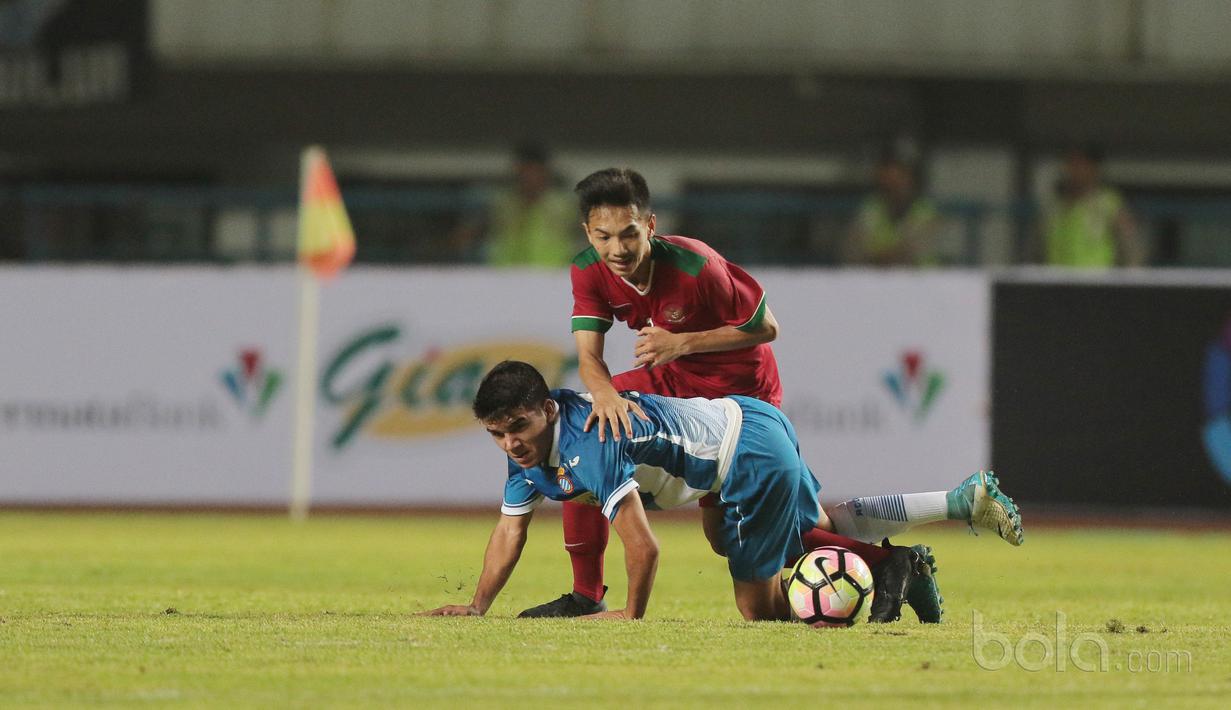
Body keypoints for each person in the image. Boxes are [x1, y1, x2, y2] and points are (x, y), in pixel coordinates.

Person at [419, 362, 1024, 622]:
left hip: (744, 455)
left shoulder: (588, 441)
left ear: (548, 411)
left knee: (756, 609)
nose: (510, 444)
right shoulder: (528, 453)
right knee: (797, 525)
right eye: (497, 434)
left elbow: (645, 548)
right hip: (743, 424)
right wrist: (477, 605)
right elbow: (510, 529)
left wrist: (631, 614)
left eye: (518, 429)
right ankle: (948, 510)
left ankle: (872, 578)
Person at [527, 167, 786, 619]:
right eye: (603, 237)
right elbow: (589, 358)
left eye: (628, 234)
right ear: (587, 233)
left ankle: (875, 559)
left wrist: (682, 342)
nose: (617, 249)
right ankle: (586, 593)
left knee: (724, 538)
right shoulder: (588, 271)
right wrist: (603, 394)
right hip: (672, 379)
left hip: (741, 396)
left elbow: (765, 329)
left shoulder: (697, 265)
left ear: (649, 225)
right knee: (583, 425)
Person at [452, 142, 581, 266]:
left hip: (551, 275)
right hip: (506, 275)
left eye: (535, 172)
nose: (530, 178)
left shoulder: (564, 205)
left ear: (545, 173)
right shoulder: (501, 204)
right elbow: (470, 233)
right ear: (517, 172)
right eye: (525, 172)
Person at [1042, 145, 1144, 268]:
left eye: (1080, 164)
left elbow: (1131, 245)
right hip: (1055, 282)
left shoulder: (1107, 202)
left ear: (1094, 168)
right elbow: (1039, 247)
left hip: (1095, 283)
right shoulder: (1054, 206)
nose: (1073, 171)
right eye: (1070, 164)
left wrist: (1130, 278)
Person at [842, 155, 943, 267]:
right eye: (887, 184)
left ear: (910, 182)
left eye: (898, 182)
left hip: (921, 280)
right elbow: (854, 250)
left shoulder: (924, 210)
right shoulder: (871, 208)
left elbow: (913, 251)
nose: (893, 188)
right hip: (875, 279)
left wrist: (885, 256)